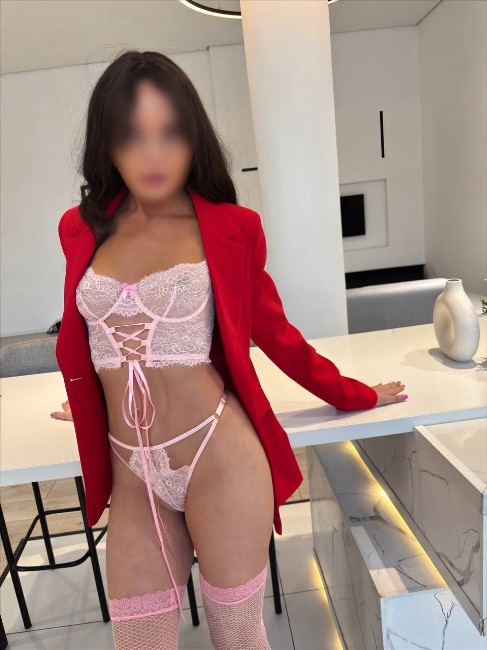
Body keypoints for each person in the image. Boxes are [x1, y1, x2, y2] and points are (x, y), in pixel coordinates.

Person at [51, 50, 407, 650]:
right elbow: (85, 332)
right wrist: (84, 394)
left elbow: (277, 334)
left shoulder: (229, 227)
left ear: (193, 138)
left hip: (218, 454)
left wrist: (355, 393)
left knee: (238, 636)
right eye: (133, 135)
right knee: (138, 643)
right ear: (107, 145)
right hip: (132, 468)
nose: (153, 154)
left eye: (170, 132)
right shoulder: (81, 227)